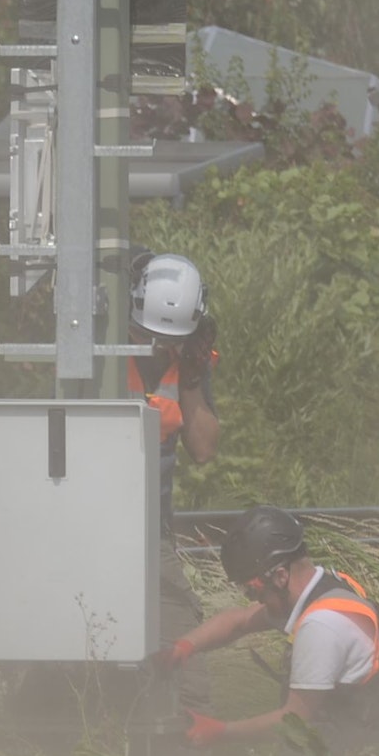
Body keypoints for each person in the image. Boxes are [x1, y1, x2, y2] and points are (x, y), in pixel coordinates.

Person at [157, 505, 379, 756]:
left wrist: (220, 732)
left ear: (279, 575)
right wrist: (184, 646)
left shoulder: (322, 625)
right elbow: (238, 621)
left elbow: (295, 719)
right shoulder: (325, 588)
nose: (254, 599)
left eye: (252, 589)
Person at [128, 251, 218, 712]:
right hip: (81, 526)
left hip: (151, 532)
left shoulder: (185, 366)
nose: (158, 345)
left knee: (179, 630)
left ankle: (188, 751)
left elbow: (202, 449)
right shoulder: (93, 351)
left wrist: (192, 371)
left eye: (170, 339)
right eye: (148, 334)